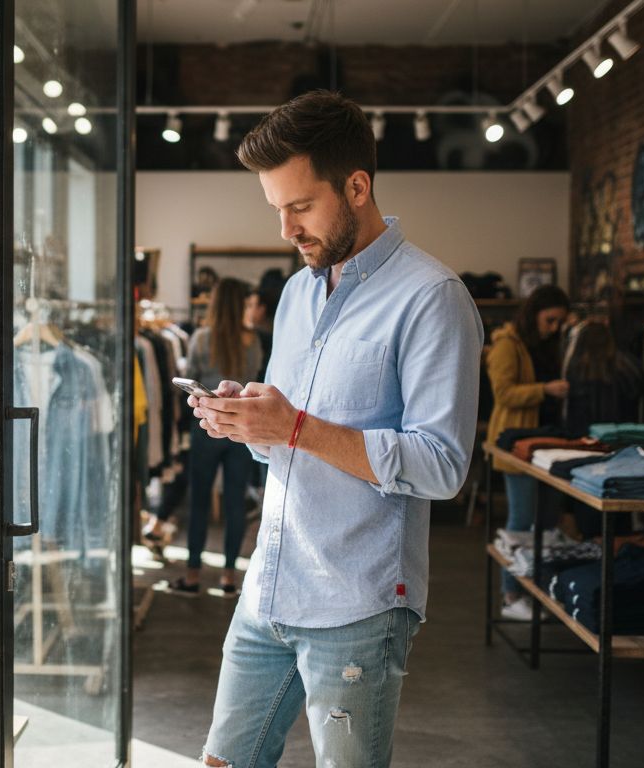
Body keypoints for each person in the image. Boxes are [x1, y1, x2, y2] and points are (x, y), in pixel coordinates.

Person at [188, 90, 482, 768]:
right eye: (277, 210)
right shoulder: (296, 293)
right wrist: (248, 422)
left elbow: (442, 466)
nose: (287, 229)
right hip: (270, 585)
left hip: (359, 602)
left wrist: (294, 427)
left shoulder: (432, 299)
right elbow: (285, 446)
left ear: (356, 186)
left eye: (301, 205)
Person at [167, 278, 261, 596]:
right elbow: (256, 380)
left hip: (206, 427)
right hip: (241, 430)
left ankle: (193, 575)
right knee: (236, 503)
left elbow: (189, 376)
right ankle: (229, 578)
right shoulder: (253, 341)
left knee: (199, 502)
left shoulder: (201, 339)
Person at [485, 284, 571, 621]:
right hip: (517, 446)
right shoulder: (508, 345)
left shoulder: (547, 344)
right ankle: (510, 595)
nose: (554, 327)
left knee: (548, 522)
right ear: (535, 313)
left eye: (560, 322)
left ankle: (536, 589)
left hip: (546, 446)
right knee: (521, 522)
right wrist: (545, 390)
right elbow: (504, 394)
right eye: (550, 320)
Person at [563, 319, 643, 538]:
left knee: (589, 515)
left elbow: (573, 417)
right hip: (622, 449)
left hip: (586, 448)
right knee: (619, 516)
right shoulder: (629, 367)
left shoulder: (577, 370)